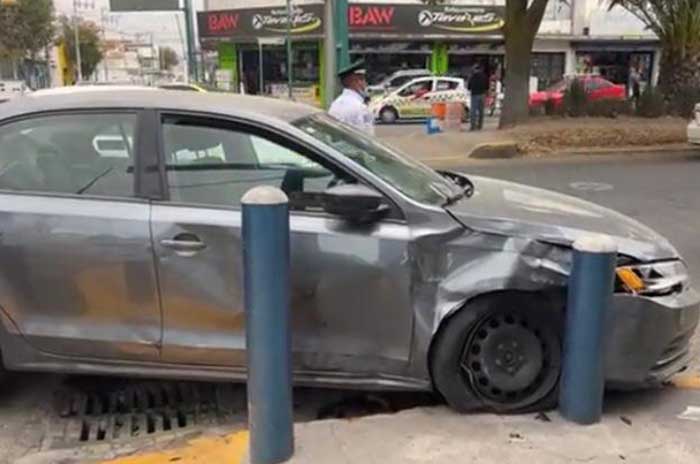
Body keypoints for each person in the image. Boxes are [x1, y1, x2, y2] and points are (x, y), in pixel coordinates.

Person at [329, 60, 374, 136]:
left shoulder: (336, 103)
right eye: (362, 79)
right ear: (354, 82)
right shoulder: (359, 107)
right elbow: (365, 139)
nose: (365, 84)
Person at [467, 64, 489, 131]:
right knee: (481, 111)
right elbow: (487, 86)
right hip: (482, 95)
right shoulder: (484, 76)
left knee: (473, 111)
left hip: (474, 95)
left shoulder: (472, 77)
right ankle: (480, 126)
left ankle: (473, 126)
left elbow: (469, 87)